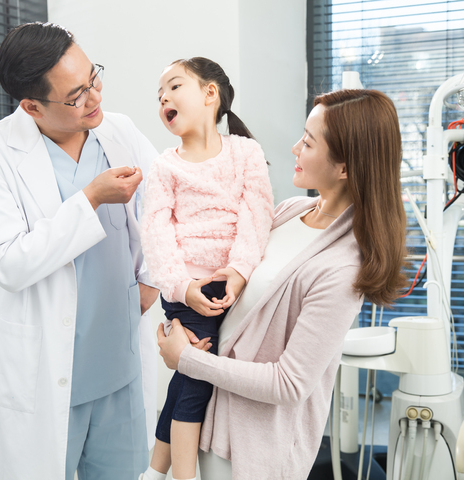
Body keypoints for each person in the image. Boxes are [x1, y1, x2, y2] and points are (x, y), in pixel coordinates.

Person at [157, 89, 408, 479]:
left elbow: (289, 384)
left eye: (308, 142)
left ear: (344, 167)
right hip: (208, 419)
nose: (295, 148)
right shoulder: (289, 212)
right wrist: (180, 321)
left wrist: (187, 359)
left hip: (253, 452)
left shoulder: (342, 268)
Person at [0, 22, 160, 480]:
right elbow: (8, 262)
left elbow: (165, 206)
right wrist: (89, 200)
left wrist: (151, 279)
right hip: (50, 375)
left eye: (93, 78)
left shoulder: (120, 132)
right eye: (76, 95)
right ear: (31, 105)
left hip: (121, 366)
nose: (95, 97)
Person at [140, 58, 274, 480]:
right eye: (159, 95)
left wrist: (239, 271)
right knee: (197, 382)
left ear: (209, 93)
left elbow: (257, 214)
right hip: (188, 290)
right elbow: (156, 234)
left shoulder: (245, 152)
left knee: (187, 375)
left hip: (234, 286)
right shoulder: (165, 166)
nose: (164, 98)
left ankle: (153, 474)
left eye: (174, 86)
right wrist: (183, 287)